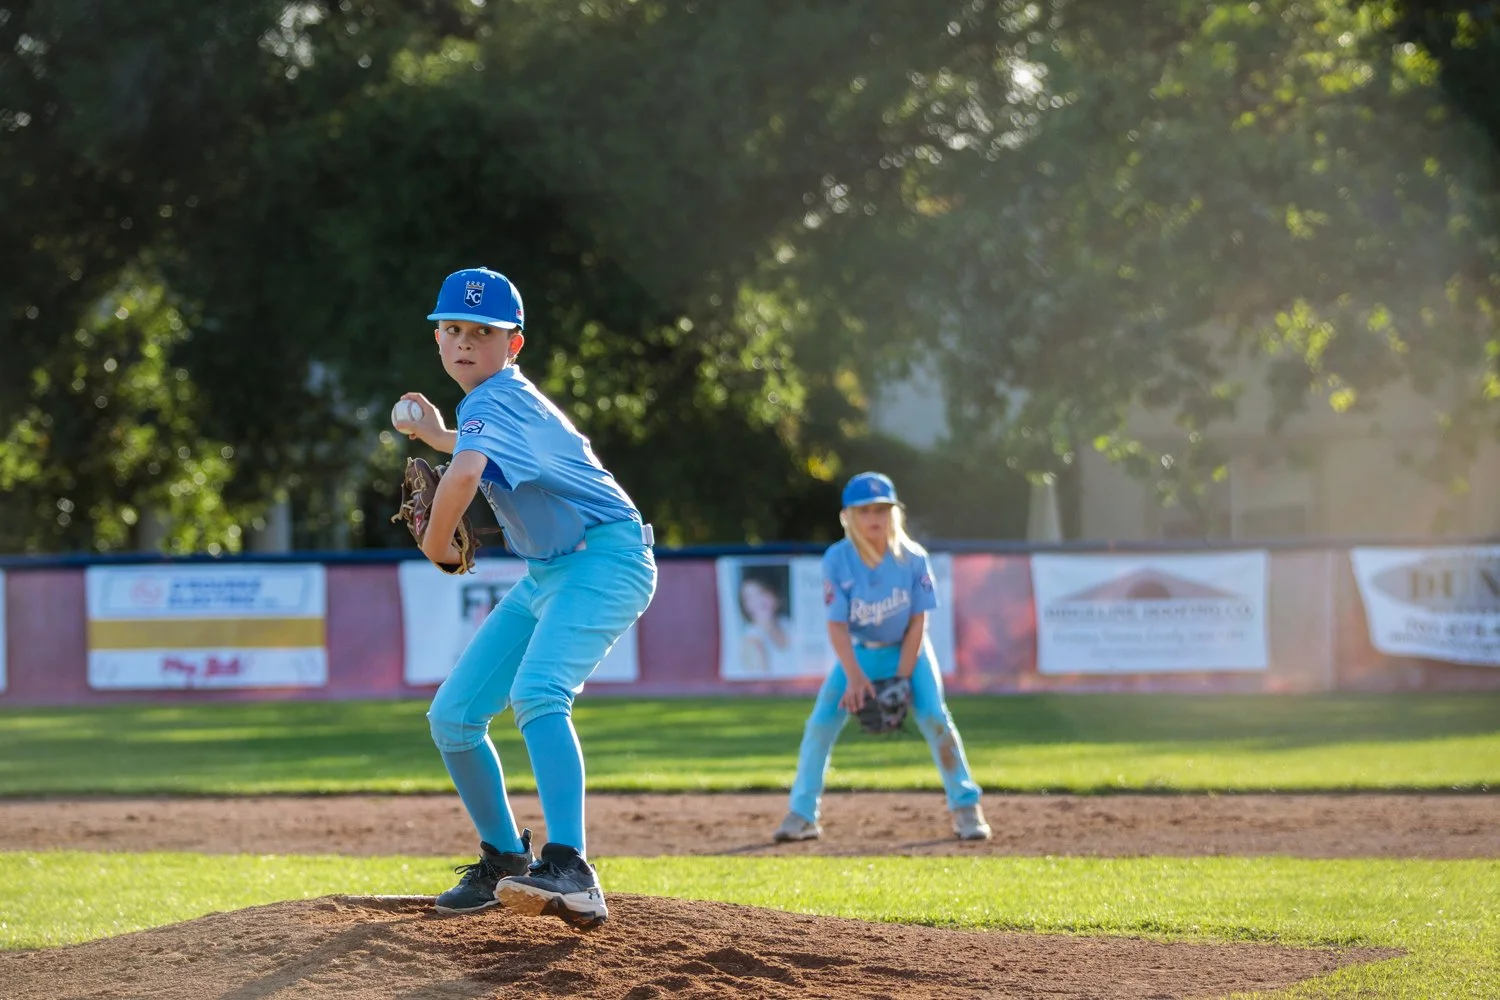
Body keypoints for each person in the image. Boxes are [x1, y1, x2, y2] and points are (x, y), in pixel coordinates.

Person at [397, 266, 656, 929]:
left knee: (539, 693)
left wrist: (433, 543)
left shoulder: (493, 400)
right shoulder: (495, 404)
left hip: (607, 557)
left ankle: (571, 867)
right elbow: (472, 452)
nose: (463, 342)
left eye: (482, 332)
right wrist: (435, 438)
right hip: (549, 575)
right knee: (453, 717)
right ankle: (507, 860)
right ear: (437, 340)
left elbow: (467, 472)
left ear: (512, 345)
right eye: (451, 328)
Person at [772, 471, 991, 843]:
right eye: (865, 511)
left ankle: (966, 807)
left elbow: (919, 622)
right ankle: (802, 813)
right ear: (848, 517)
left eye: (882, 509)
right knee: (820, 724)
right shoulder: (837, 559)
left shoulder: (913, 559)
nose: (874, 518)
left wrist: (903, 679)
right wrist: (856, 678)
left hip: (911, 651)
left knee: (936, 718)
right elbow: (837, 627)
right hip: (859, 656)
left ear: (894, 513)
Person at [738, 572, 795, 676]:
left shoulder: (788, 624)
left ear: (774, 594)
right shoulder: (751, 640)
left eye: (762, 592)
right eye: (749, 597)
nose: (758, 601)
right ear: (745, 606)